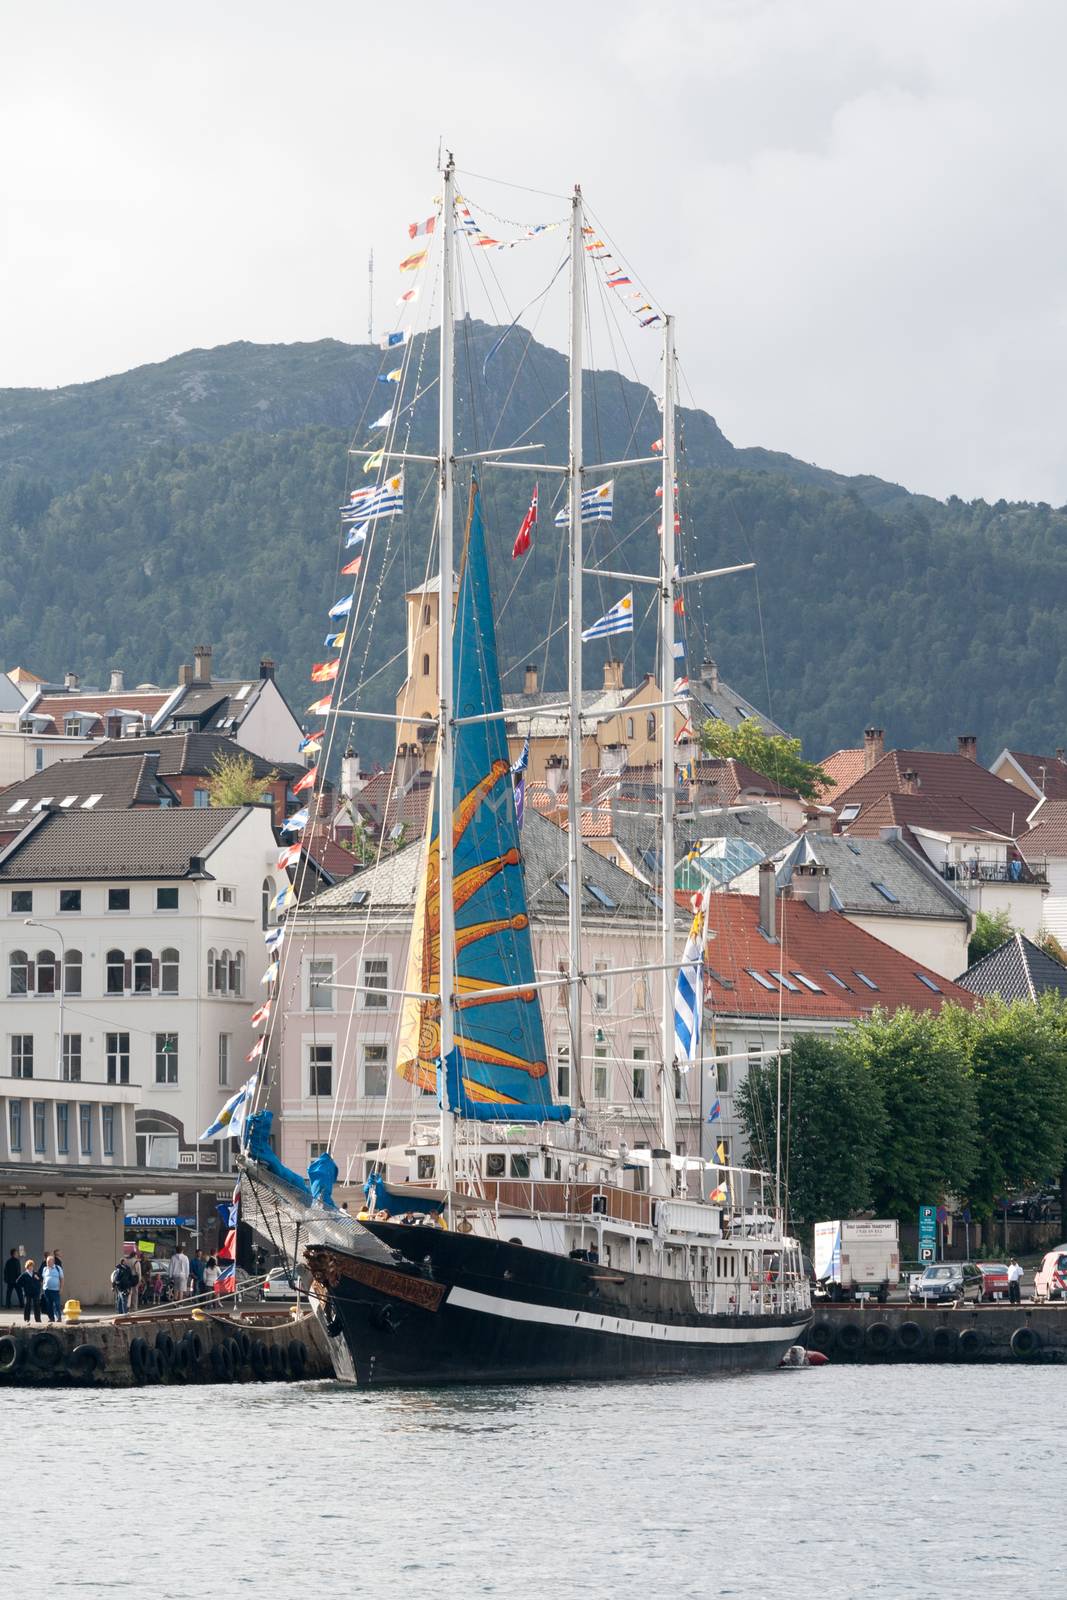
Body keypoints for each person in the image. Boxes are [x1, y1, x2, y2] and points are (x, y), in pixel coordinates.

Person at [39, 1254, 63, 1322]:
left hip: (55, 1290)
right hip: (47, 1290)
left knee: (57, 1304)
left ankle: (59, 1317)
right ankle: (51, 1318)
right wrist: (43, 1287)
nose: (47, 1263)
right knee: (49, 1305)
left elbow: (62, 1279)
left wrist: (61, 1288)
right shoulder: (45, 1269)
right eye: (47, 1262)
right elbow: (44, 1278)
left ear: (53, 1262)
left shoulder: (58, 1268)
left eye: (49, 1262)